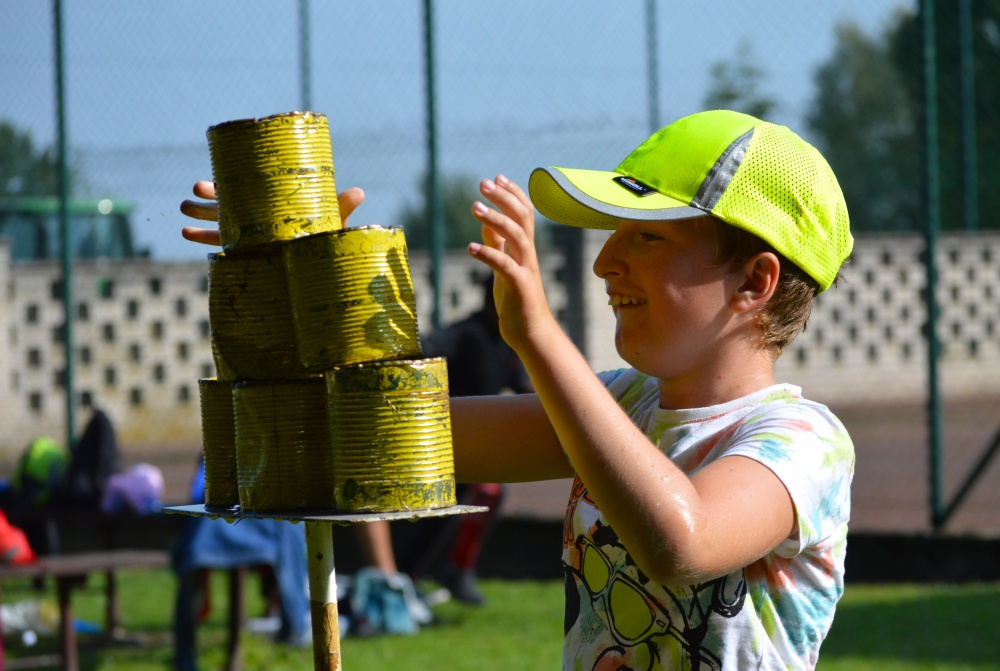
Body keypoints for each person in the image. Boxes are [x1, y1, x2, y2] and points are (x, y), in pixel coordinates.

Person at [181, 109, 855, 669]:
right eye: (611, 231)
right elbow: (373, 436)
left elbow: (684, 541)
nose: (602, 260)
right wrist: (299, 269)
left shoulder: (805, 444)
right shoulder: (622, 405)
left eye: (645, 235)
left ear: (754, 282)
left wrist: (536, 333)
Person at [398, 273, 533, 605]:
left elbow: (524, 388)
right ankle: (408, 577)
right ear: (492, 302)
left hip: (472, 447)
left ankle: (456, 569)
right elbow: (421, 352)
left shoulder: (507, 341)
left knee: (479, 497)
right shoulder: (467, 333)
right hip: (439, 443)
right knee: (448, 508)